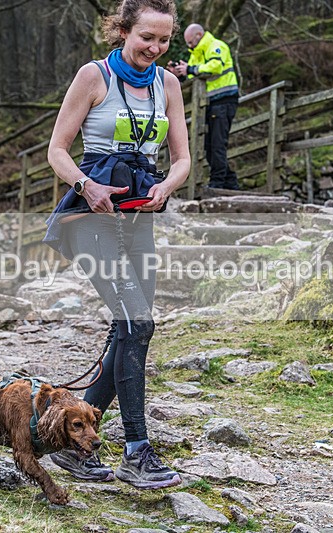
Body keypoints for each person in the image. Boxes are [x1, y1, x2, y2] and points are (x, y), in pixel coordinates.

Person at [43, 0, 190, 490]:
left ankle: (73, 446)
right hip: (92, 215)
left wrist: (166, 187)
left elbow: (183, 158)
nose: (155, 47)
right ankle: (136, 450)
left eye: (164, 39)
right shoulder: (94, 76)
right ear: (124, 30)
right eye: (147, 36)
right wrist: (88, 185)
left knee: (133, 331)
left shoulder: (168, 84)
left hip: (139, 219)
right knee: (136, 322)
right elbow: (57, 149)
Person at [167, 23, 240, 190]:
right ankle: (230, 183)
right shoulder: (197, 53)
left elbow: (215, 66)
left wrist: (191, 68)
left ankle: (218, 183)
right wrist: (179, 73)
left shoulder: (216, 46)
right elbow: (192, 73)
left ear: (199, 35)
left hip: (224, 100)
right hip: (211, 102)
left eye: (191, 42)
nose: (189, 46)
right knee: (208, 145)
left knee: (217, 144)